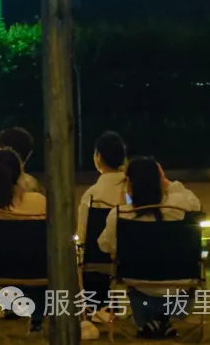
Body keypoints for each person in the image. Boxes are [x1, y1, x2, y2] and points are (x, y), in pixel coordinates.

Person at [96, 157, 201, 339]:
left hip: (138, 284)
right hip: (180, 285)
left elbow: (104, 245)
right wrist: (166, 182)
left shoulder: (120, 215)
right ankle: (164, 321)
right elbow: (195, 202)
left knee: (131, 278)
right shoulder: (180, 206)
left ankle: (150, 322)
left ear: (129, 183)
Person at [0, 148, 47, 332]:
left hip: (0, 270)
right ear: (21, 175)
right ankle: (37, 315)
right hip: (39, 270)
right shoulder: (42, 202)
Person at [77, 131, 127, 324]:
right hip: (133, 259)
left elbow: (83, 236)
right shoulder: (133, 191)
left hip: (97, 262)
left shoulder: (92, 195)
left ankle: (97, 307)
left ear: (98, 157)